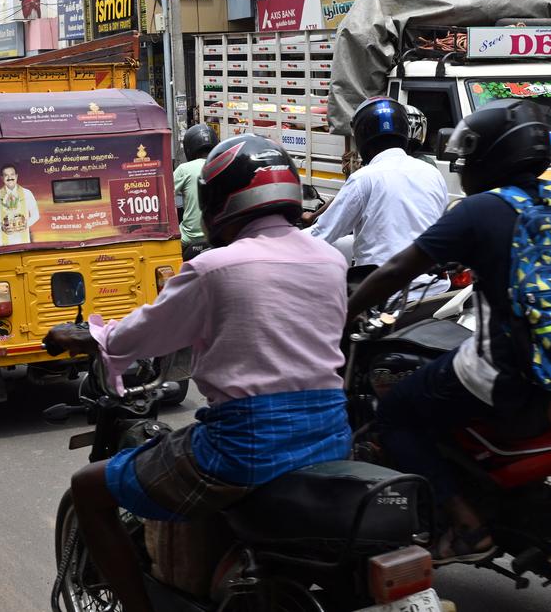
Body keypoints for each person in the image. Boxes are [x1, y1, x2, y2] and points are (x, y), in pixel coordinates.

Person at [46, 135, 352, 612]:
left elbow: (144, 330)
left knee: (88, 487)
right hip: (331, 435)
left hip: (245, 446)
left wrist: (90, 336)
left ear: (218, 201)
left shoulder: (215, 267)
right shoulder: (332, 260)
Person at [347, 99, 551, 563]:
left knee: (396, 411)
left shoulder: (478, 211)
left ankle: (469, 527)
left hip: (512, 370)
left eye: (470, 156)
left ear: (491, 156)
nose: (463, 165)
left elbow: (396, 269)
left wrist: (344, 309)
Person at [306, 97, 448, 298]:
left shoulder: (364, 178)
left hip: (386, 297)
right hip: (435, 291)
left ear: (362, 135)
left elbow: (322, 234)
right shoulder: (432, 173)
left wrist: (279, 244)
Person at [174, 124, 218, 260]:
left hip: (190, 238)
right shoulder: (221, 164)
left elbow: (163, 194)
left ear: (189, 148)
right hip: (217, 233)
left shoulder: (184, 169)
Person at [0, 164, 40, 246]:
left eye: (12, 174)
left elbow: (36, 215)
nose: (9, 177)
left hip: (23, 240)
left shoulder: (27, 193)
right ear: (2, 178)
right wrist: (1, 228)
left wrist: (26, 225)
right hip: (4, 241)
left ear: (16, 176)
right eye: (6, 175)